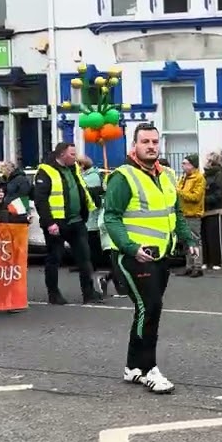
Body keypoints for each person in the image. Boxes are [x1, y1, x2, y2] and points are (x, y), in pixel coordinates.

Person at [101, 124, 198, 394]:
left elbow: (175, 212)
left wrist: (188, 239)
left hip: (161, 256)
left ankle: (132, 367)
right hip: (133, 257)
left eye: (155, 141)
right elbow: (112, 217)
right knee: (150, 308)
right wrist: (131, 247)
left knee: (146, 310)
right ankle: (148, 369)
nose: (151, 146)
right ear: (135, 146)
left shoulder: (166, 175)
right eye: (145, 141)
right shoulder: (123, 176)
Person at [33, 143, 102, 306]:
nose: (75, 157)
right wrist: (50, 223)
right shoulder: (45, 171)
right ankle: (54, 294)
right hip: (56, 223)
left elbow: (80, 189)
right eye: (72, 154)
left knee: (85, 258)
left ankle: (89, 292)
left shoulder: (74, 169)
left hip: (76, 221)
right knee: (54, 259)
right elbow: (40, 200)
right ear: (62, 155)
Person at [177, 155, 206, 277]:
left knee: (195, 240)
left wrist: (179, 192)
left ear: (192, 165)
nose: (183, 166)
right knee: (186, 241)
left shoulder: (199, 178)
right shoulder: (184, 177)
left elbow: (196, 197)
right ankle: (189, 266)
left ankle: (197, 266)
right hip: (183, 213)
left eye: (185, 163)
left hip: (193, 213)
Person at [201, 151, 222, 270]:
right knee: (205, 236)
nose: (205, 162)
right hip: (204, 210)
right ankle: (206, 260)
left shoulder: (219, 174)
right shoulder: (204, 175)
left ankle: (217, 261)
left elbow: (220, 193)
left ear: (212, 162)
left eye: (207, 159)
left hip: (216, 209)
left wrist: (205, 199)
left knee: (215, 237)